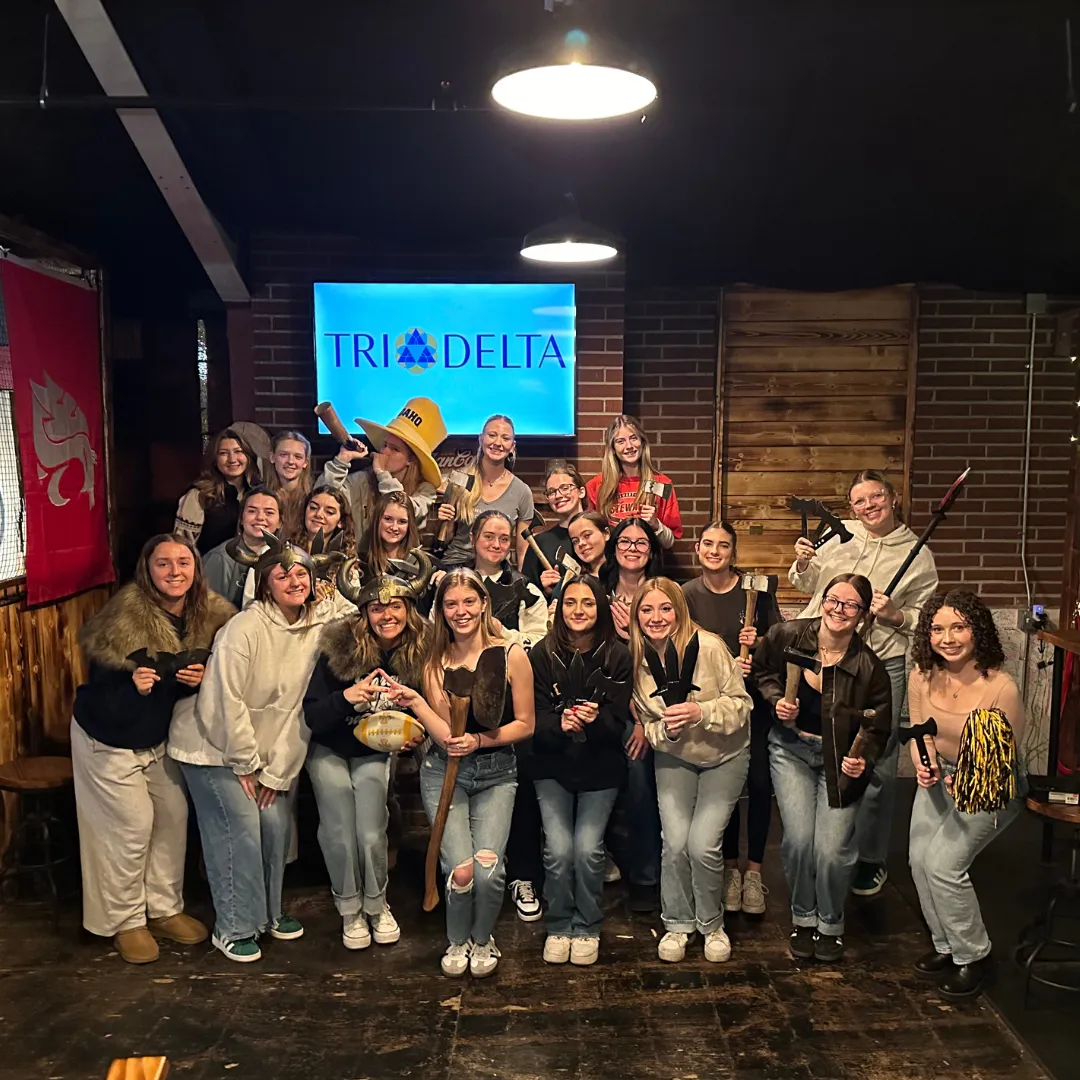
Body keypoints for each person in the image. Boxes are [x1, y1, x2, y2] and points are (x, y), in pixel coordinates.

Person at [168, 538, 339, 963]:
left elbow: (297, 711)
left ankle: (267, 913)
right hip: (211, 745)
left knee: (277, 823)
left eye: (301, 573)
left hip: (259, 753)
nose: (294, 581)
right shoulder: (243, 629)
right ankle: (234, 926)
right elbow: (224, 701)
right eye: (282, 575)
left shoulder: (319, 625)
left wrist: (275, 772)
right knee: (239, 827)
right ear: (265, 584)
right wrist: (245, 763)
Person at [71, 534, 235, 963]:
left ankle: (163, 908)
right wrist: (132, 686)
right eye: (164, 564)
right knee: (130, 826)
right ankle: (126, 920)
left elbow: (222, 678)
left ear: (196, 568)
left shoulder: (211, 615)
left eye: (183, 562)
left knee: (173, 816)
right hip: (108, 736)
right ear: (148, 570)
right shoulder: (124, 617)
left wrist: (204, 680)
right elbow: (99, 694)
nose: (175, 572)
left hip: (156, 738)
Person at [789, 469, 938, 897]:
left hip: (880, 662)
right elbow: (808, 584)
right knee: (820, 742)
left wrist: (895, 615)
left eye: (875, 497)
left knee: (875, 757)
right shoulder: (841, 535)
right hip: (824, 653)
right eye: (858, 501)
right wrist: (802, 561)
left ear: (892, 498)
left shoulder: (917, 553)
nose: (867, 507)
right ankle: (826, 846)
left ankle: (870, 858)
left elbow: (924, 622)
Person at [753, 573, 892, 962]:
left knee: (831, 850)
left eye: (850, 605)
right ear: (822, 599)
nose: (839, 610)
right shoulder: (787, 636)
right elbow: (762, 671)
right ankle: (803, 917)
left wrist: (862, 755)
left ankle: (830, 923)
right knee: (798, 842)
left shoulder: (869, 666)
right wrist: (776, 698)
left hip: (840, 760)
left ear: (863, 615)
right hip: (791, 750)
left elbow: (879, 725)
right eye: (833, 599)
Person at [302, 551, 437, 951]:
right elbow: (313, 716)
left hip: (374, 751)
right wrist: (347, 697)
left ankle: (377, 904)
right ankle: (350, 909)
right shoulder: (339, 648)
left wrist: (418, 739)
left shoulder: (419, 651)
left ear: (408, 609)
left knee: (371, 831)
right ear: (364, 613)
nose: (386, 615)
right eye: (377, 608)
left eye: (395, 606)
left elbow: (430, 710)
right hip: (329, 747)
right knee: (339, 831)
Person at [907, 590, 1026, 1000]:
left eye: (958, 626)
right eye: (938, 628)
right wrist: (925, 763)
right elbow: (920, 735)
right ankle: (947, 946)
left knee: (943, 864)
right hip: (941, 776)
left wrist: (970, 779)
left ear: (977, 631)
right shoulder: (922, 674)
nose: (948, 637)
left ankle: (975, 957)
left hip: (991, 781)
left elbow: (1002, 757)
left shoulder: (1001, 686)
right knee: (919, 861)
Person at [419, 569, 535, 978]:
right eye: (451, 604)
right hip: (443, 771)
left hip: (496, 771)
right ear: (441, 611)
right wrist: (417, 703)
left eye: (469, 601)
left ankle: (483, 939)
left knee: (488, 870)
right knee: (461, 869)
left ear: (484, 603)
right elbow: (444, 731)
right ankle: (457, 939)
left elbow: (525, 724)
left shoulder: (510, 654)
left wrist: (481, 742)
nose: (461, 611)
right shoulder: (435, 659)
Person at [630, 578, 752, 963]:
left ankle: (712, 924)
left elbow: (742, 706)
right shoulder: (636, 660)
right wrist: (663, 731)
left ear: (679, 612)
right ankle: (678, 923)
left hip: (725, 756)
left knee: (703, 845)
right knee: (676, 843)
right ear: (636, 616)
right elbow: (647, 726)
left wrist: (702, 712)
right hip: (676, 757)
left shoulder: (710, 647)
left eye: (665, 608)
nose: (656, 618)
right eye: (647, 610)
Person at [531, 577, 632, 965]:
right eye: (570, 602)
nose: (578, 610)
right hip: (552, 766)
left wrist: (595, 720)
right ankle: (558, 924)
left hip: (600, 769)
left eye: (587, 603)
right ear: (559, 609)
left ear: (600, 608)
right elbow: (533, 718)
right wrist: (561, 725)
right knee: (558, 851)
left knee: (588, 850)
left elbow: (619, 719)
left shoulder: (617, 655)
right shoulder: (542, 654)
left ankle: (587, 924)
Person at [682, 520, 781, 917]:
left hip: (752, 700)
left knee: (757, 782)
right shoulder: (688, 594)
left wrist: (758, 645)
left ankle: (753, 871)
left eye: (723, 546)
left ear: (733, 552)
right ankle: (726, 869)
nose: (715, 551)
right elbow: (681, 646)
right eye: (708, 544)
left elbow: (778, 642)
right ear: (698, 548)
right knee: (722, 786)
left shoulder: (756, 589)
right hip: (710, 706)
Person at [599, 517, 664, 912]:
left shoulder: (661, 596)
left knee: (639, 774)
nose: (634, 547)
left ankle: (645, 876)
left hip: (646, 711)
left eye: (642, 542)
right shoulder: (597, 592)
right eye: (626, 540)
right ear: (615, 547)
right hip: (603, 705)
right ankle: (595, 860)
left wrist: (641, 720)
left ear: (652, 552)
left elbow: (661, 665)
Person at [320, 397, 446, 541]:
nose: (385, 452)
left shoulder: (425, 491)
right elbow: (322, 499)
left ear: (410, 460)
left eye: (394, 449)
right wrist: (341, 461)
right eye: (385, 445)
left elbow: (403, 511)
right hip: (360, 561)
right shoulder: (362, 480)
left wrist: (382, 474)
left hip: (402, 562)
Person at [437, 415, 535, 569]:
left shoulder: (522, 491)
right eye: (492, 435)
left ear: (512, 446)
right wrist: (445, 520)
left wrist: (523, 586)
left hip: (496, 569)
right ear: (481, 439)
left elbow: (522, 552)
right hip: (457, 567)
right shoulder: (459, 480)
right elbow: (448, 537)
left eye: (505, 438)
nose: (498, 443)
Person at [585, 415, 682, 550]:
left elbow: (669, 542)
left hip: (649, 566)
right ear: (612, 449)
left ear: (642, 442)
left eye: (633, 438)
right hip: (611, 566)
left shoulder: (662, 484)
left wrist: (656, 525)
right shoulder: (596, 485)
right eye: (620, 441)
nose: (629, 446)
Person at [174, 428, 260, 554]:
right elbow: (182, 546)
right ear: (214, 460)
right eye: (223, 453)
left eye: (238, 451)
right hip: (210, 567)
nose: (232, 459)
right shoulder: (200, 495)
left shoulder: (257, 493)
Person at [203, 487, 280, 607]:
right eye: (252, 511)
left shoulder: (283, 556)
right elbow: (210, 612)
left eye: (269, 512)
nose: (260, 517)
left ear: (280, 522)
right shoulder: (221, 558)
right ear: (241, 519)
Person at [521, 461, 590, 596]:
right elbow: (526, 595)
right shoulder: (540, 543)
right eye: (552, 492)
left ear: (581, 491)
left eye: (565, 488)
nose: (558, 495)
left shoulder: (600, 534)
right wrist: (544, 590)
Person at [266, 431, 314, 540]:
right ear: (272, 457)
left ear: (305, 462)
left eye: (298, 457)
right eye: (283, 455)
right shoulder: (259, 497)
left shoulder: (313, 499)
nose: (291, 461)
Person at [363, 491, 421, 576]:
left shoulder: (419, 563)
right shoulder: (362, 564)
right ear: (377, 520)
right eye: (388, 519)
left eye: (402, 521)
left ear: (409, 525)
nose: (394, 527)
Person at [567, 511, 611, 579]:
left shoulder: (625, 574)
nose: (581, 543)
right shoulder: (572, 580)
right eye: (575, 541)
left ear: (606, 533)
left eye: (587, 535)